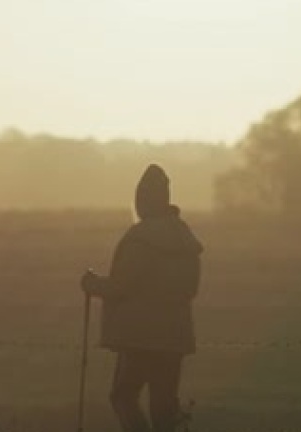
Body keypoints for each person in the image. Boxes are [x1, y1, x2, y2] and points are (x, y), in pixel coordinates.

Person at [81, 164, 203, 432]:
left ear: (144, 200)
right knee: (164, 408)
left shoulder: (141, 238)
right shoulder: (184, 238)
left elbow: (120, 286)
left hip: (140, 338)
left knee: (123, 397)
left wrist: (91, 284)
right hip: (175, 337)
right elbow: (191, 289)